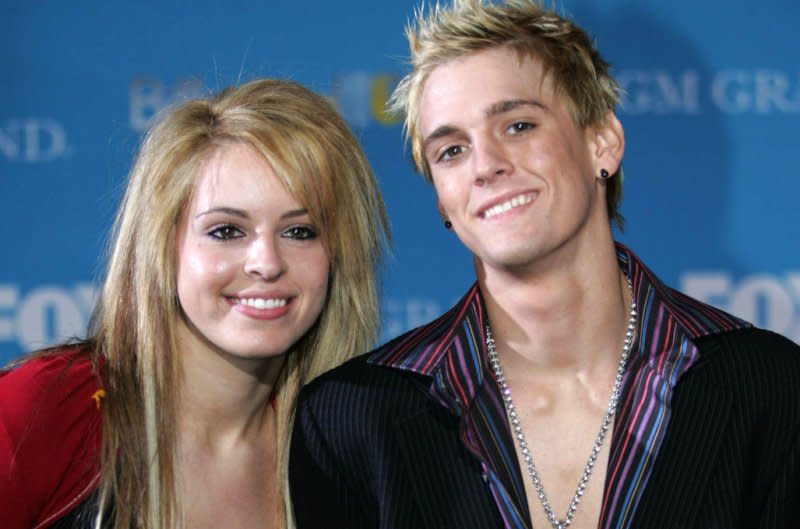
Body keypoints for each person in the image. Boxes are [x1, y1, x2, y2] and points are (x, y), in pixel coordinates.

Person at [288, 1, 800, 528]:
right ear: (442, 200)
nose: (486, 165)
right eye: (452, 151)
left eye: (518, 125)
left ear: (603, 141)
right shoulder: (350, 421)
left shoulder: (768, 388)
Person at [0, 78, 389, 529]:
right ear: (164, 247)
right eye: (226, 231)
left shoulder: (350, 459)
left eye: (300, 232)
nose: (266, 263)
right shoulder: (45, 410)